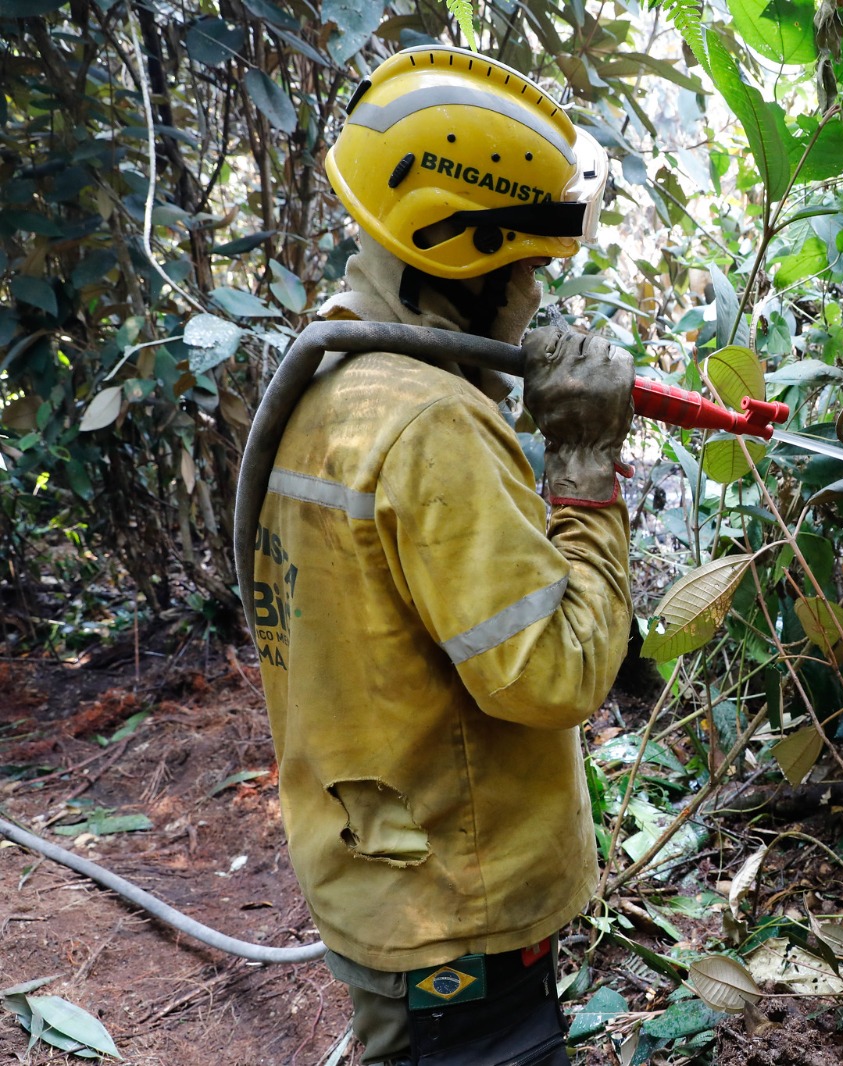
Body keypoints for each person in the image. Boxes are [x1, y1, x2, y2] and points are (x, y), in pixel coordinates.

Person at [250, 43, 633, 1066]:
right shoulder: (431, 426)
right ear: (470, 249)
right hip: (453, 906)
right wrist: (586, 469)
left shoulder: (331, 379)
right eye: (532, 266)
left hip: (378, 867)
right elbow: (551, 674)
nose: (538, 297)